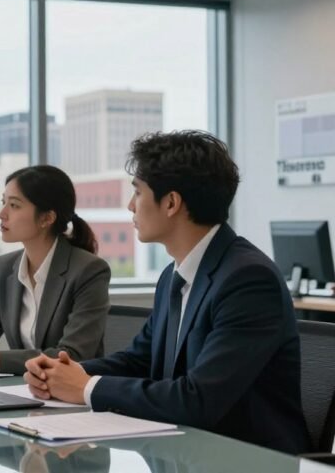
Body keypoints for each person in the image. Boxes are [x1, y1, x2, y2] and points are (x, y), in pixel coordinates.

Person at [24, 131, 310, 454]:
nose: (130, 205)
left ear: (171, 203)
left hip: (248, 459)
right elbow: (139, 361)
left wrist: (87, 387)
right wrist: (64, 373)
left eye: (138, 192)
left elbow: (198, 399)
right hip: (185, 452)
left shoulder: (248, 280)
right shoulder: (174, 275)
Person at [0, 165, 110, 375]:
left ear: (47, 218)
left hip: (71, 390)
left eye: (14, 205)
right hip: (22, 388)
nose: (1, 214)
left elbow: (73, 355)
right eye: (3, 202)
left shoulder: (89, 270)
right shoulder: (5, 267)